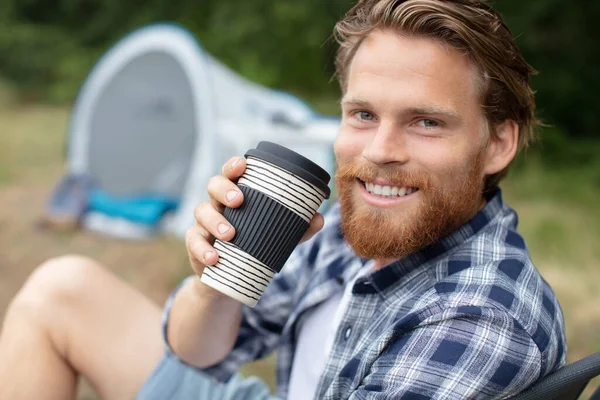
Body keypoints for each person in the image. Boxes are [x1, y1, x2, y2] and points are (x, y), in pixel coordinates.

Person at [0, 0, 567, 399]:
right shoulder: (348, 231)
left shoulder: (484, 315)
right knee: (62, 288)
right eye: (363, 114)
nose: (381, 150)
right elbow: (197, 353)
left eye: (426, 122)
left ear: (497, 142)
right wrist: (216, 277)